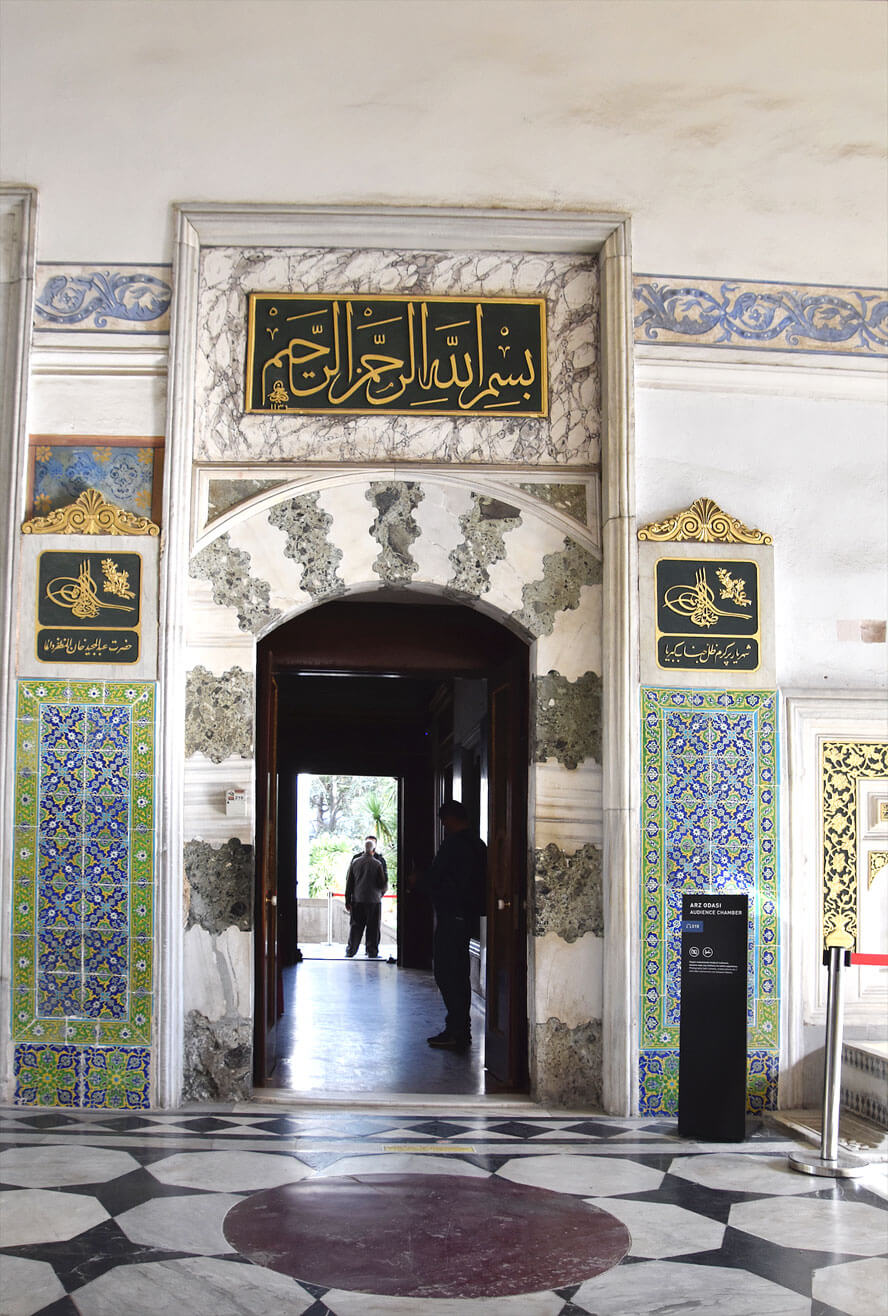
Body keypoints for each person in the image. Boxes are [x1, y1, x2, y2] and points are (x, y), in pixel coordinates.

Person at [414, 800, 486, 1052]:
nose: (443, 827)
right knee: (459, 975)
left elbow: (438, 878)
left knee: (447, 974)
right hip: (466, 919)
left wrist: (419, 881)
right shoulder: (478, 845)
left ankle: (457, 1030)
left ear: (451, 820)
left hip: (451, 917)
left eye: (444, 822)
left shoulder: (454, 845)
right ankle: (460, 1030)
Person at [344, 835, 388, 958]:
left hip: (357, 899)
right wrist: (380, 893)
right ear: (373, 850)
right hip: (374, 900)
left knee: (356, 926)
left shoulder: (355, 862)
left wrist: (348, 899)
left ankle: (351, 950)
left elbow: (349, 882)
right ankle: (372, 952)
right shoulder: (378, 863)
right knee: (373, 928)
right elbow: (382, 883)